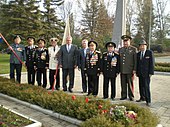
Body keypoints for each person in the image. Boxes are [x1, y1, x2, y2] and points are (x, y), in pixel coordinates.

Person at [136, 40, 154, 106]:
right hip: (140, 73)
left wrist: (151, 72)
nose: (142, 47)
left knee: (146, 87)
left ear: (146, 46)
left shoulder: (149, 53)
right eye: (141, 46)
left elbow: (152, 63)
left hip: (147, 73)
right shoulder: (138, 54)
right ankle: (142, 97)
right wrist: (137, 72)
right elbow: (137, 64)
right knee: (141, 86)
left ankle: (148, 100)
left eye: (143, 45)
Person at [119, 35, 137, 101]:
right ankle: (123, 95)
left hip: (130, 70)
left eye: (127, 41)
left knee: (130, 84)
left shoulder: (133, 49)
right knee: (123, 84)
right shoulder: (121, 49)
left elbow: (135, 60)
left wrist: (134, 69)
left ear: (129, 41)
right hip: (122, 69)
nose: (125, 43)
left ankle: (131, 96)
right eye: (124, 41)